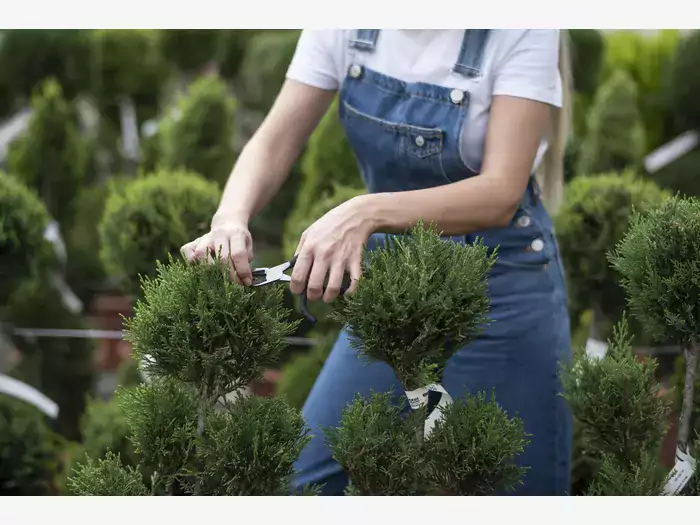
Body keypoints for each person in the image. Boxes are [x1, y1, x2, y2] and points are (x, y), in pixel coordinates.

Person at [181, 29, 573, 496]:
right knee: (305, 486)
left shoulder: (522, 26)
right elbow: (273, 141)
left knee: (512, 489)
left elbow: (501, 191)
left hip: (502, 285)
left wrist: (365, 211)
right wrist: (230, 219)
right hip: (394, 284)